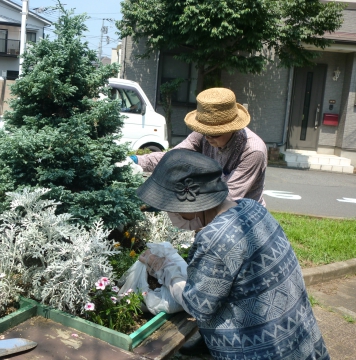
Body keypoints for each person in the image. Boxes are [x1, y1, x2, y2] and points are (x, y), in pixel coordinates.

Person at [136, 149, 329, 360]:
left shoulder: (216, 238)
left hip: (264, 351)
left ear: (189, 204)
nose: (170, 215)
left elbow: (197, 306)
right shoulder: (253, 209)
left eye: (169, 208)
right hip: (301, 342)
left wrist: (164, 268)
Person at [130, 87, 267, 208]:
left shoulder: (253, 151)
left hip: (245, 216)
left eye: (214, 133)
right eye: (204, 131)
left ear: (233, 128)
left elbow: (229, 196)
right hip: (212, 207)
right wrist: (136, 161)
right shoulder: (202, 135)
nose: (208, 138)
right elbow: (173, 158)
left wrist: (171, 201)